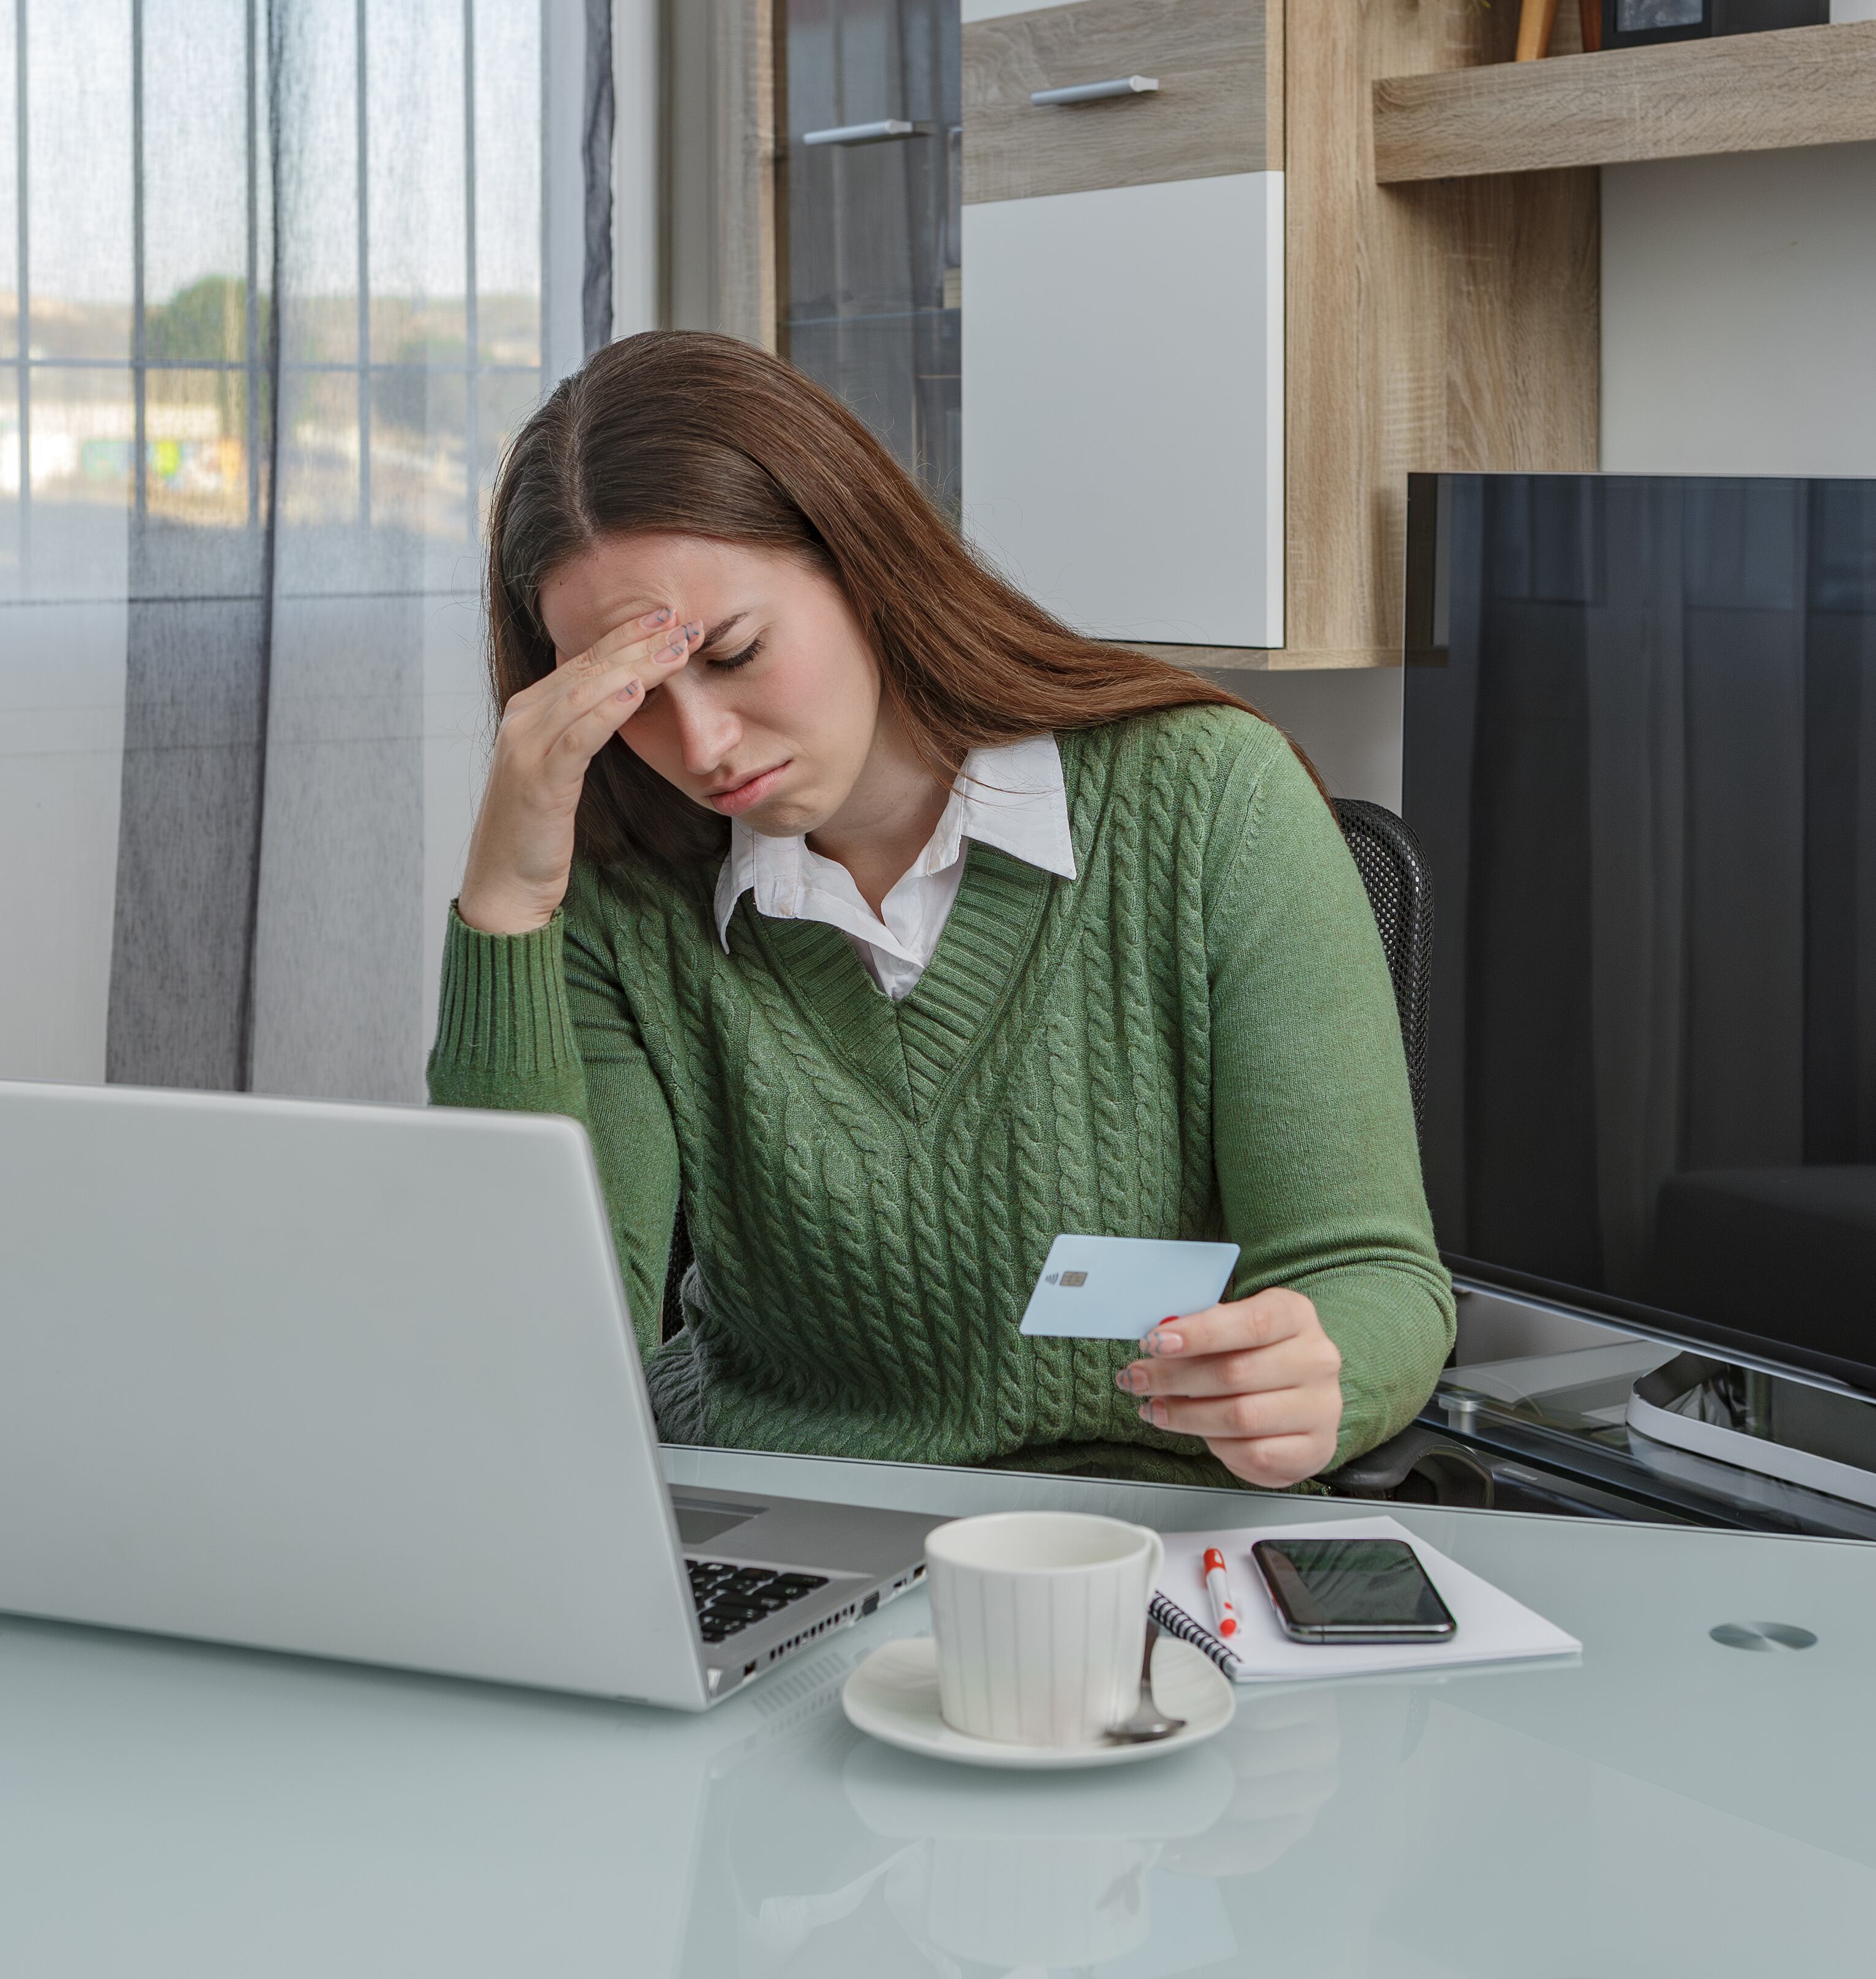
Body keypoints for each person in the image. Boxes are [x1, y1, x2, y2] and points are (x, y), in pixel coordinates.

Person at [428, 330, 1450, 1490]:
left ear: (861, 562)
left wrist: (1322, 1379)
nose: (701, 746)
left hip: (1117, 1562)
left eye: (737, 652)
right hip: (767, 1524)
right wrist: (506, 903)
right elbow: (530, 1363)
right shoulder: (618, 899)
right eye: (627, 702)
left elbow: (1373, 1276)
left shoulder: (1212, 801)